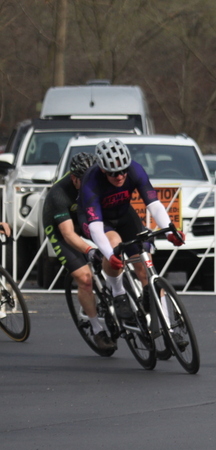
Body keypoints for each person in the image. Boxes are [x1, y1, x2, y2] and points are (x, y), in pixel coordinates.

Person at [79, 138, 185, 322]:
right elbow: (96, 228)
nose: (120, 176)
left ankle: (167, 326)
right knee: (114, 245)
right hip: (98, 220)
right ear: (103, 170)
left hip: (124, 214)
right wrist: (110, 254)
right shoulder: (91, 181)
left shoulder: (135, 169)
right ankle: (118, 293)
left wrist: (170, 232)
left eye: (123, 171)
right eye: (114, 173)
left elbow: (154, 205)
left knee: (145, 268)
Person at [42, 152, 115, 351]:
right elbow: (68, 234)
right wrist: (90, 250)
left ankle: (120, 292)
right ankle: (97, 329)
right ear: (74, 179)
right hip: (61, 227)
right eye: (85, 181)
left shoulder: (100, 180)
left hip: (83, 216)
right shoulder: (59, 194)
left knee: (115, 244)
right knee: (84, 278)